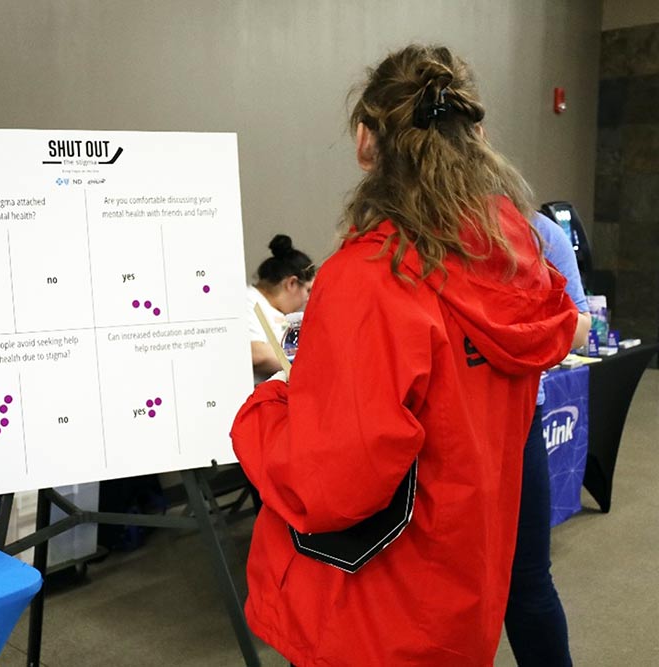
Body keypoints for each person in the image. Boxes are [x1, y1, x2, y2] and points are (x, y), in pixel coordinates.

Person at [231, 44, 577, 666]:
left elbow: (330, 484)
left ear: (367, 142)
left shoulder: (370, 277)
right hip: (462, 597)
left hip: (378, 613)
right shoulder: (515, 260)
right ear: (478, 136)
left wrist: (263, 411)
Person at [504, 211, 591, 666]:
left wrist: (524, 326)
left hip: (517, 417)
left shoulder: (536, 230)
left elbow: (578, 325)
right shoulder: (411, 222)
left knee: (527, 579)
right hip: (437, 422)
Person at [247, 235, 316, 383]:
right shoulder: (249, 301)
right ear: (291, 283)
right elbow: (257, 353)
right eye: (308, 291)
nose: (308, 299)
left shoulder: (280, 311)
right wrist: (308, 362)